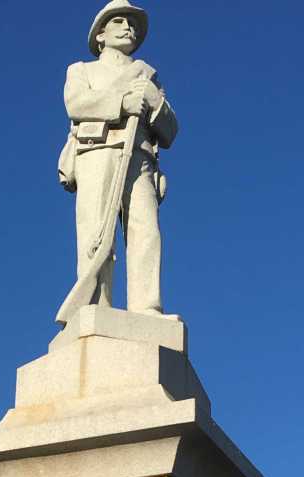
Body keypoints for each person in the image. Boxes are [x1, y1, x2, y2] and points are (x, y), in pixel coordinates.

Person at [59, 0, 178, 316]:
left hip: (140, 157)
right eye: (119, 21)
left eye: (132, 23)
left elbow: (170, 131)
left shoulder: (147, 76)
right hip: (97, 149)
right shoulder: (82, 70)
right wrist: (123, 103)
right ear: (100, 35)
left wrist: (154, 103)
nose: (128, 27)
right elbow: (76, 103)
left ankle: (147, 306)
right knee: (96, 231)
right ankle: (96, 303)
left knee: (146, 231)